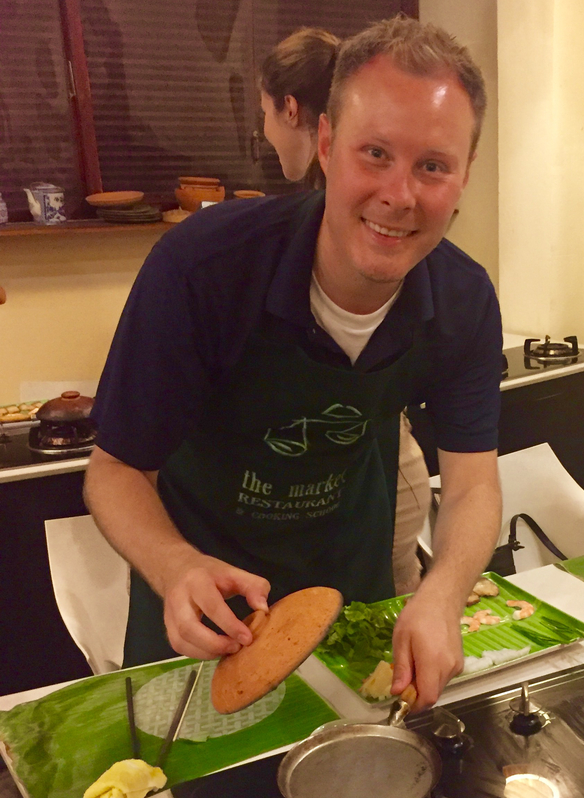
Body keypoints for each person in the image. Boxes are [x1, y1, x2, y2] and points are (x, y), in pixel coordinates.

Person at [85, 15, 503, 711]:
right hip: (204, 616)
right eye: (375, 153)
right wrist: (175, 566)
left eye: (432, 165)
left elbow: (471, 485)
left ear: (464, 176)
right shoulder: (202, 269)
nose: (400, 195)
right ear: (328, 145)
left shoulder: (464, 300)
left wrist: (442, 594)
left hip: (353, 611)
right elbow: (115, 471)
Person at [259, 26, 431, 595]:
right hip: (287, 493)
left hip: (376, 472)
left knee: (386, 617)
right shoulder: (235, 252)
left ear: (289, 108)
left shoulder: (445, 283)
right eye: (375, 154)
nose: (396, 195)